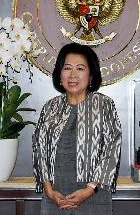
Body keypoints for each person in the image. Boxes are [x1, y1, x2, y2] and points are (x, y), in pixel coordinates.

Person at [32, 43, 122, 215]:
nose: (73, 75)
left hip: (94, 197)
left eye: (80, 68)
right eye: (67, 68)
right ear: (59, 74)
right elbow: (39, 149)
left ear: (91, 75)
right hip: (55, 198)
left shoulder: (104, 105)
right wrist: (49, 190)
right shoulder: (50, 107)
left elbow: (112, 150)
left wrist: (90, 189)